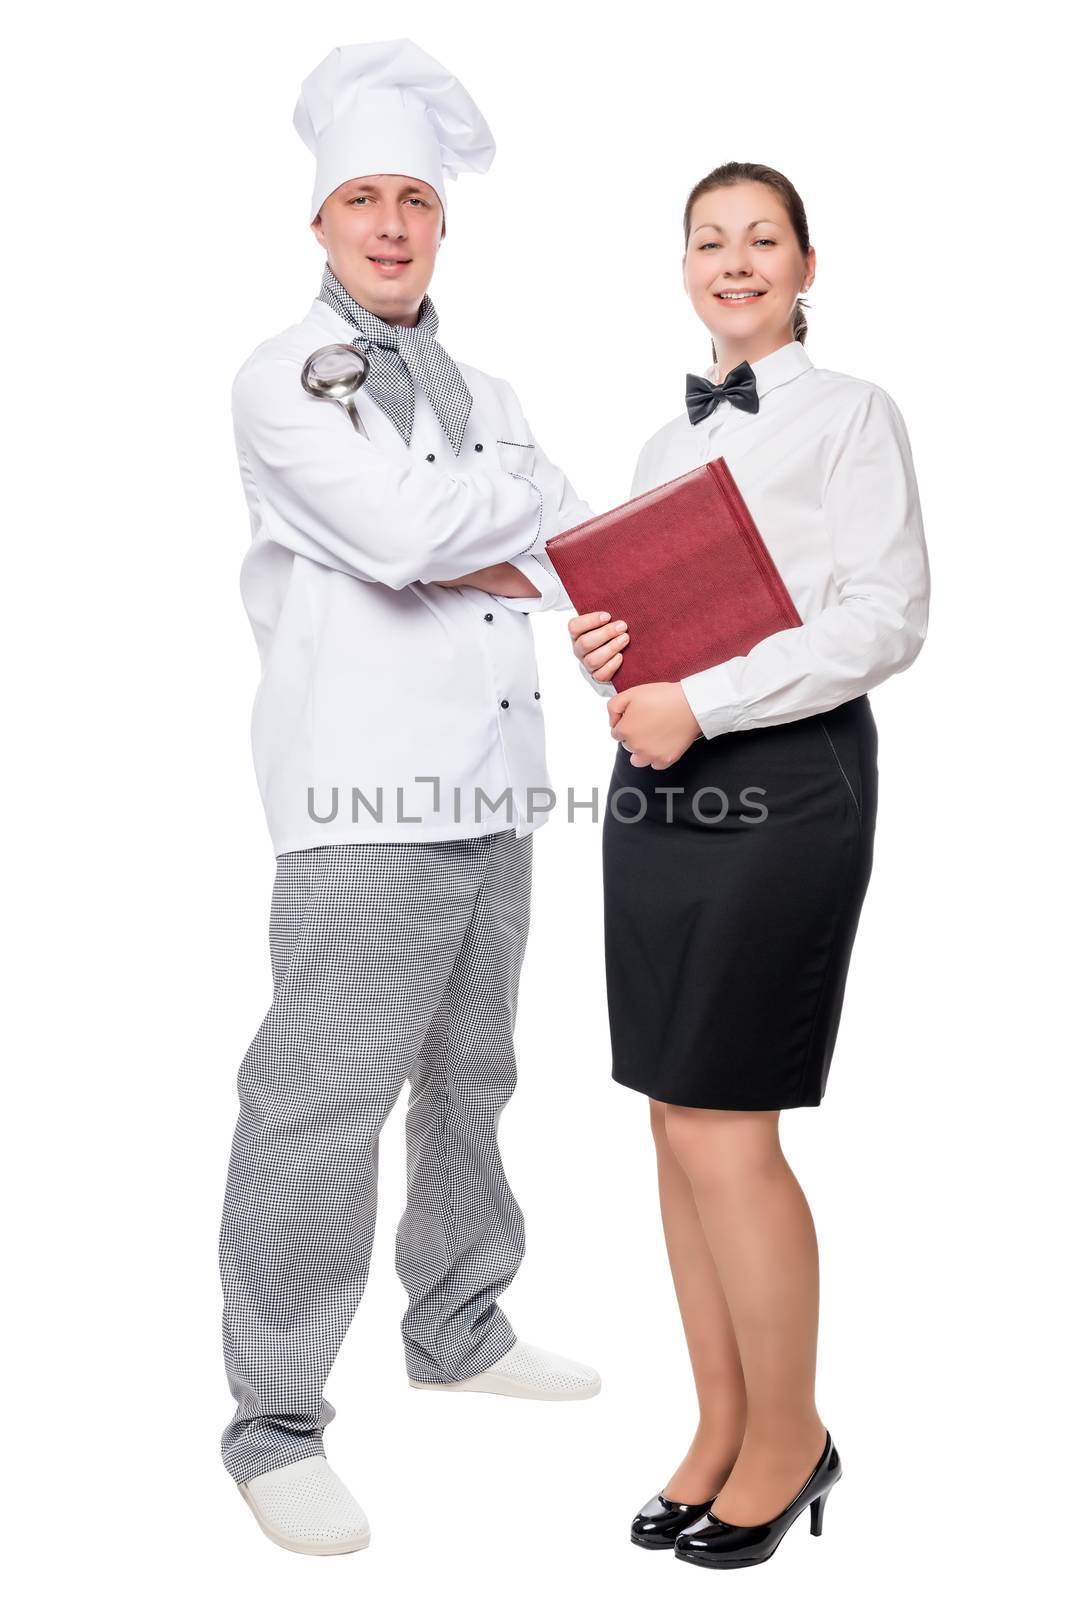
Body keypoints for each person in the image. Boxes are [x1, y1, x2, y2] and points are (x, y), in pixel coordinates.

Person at [218, 38, 599, 1559]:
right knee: (317, 1111)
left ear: (443, 225)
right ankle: (271, 1424)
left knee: (476, 1081)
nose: (390, 225)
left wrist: (479, 533)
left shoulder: (487, 385)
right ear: (320, 223)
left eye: (415, 203)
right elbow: (390, 531)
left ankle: (458, 1321)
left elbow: (571, 543)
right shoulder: (277, 377)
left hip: (499, 793)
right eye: (362, 200)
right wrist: (484, 526)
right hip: (361, 809)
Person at [569, 161, 930, 1569]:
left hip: (785, 782)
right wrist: (610, 655)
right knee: (670, 1115)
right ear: (684, 270)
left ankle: (794, 1433)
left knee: (730, 1120)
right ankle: (720, 1423)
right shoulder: (665, 447)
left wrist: (701, 702)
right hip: (658, 778)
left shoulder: (855, 416)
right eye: (708, 242)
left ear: (806, 263)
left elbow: (888, 617)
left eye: (759, 239)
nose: (734, 262)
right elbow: (652, 625)